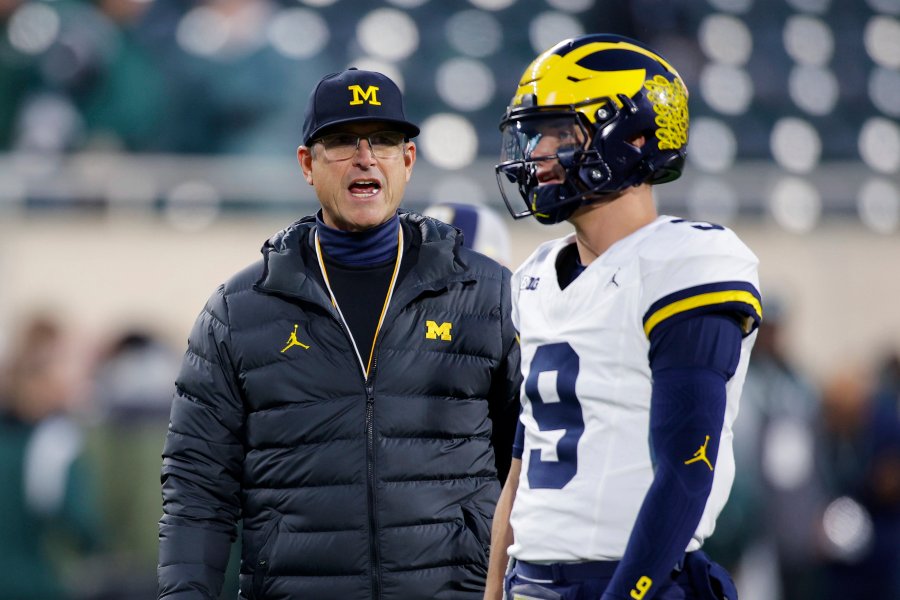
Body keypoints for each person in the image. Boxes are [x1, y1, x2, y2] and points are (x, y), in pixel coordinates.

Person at [157, 67, 521, 600]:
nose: (366, 156)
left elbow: (535, 464)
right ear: (307, 163)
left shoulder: (485, 295)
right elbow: (196, 492)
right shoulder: (239, 312)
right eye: (343, 141)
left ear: (408, 161)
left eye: (385, 141)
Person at [485, 34, 762, 600]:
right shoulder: (535, 276)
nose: (537, 155)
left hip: (634, 578)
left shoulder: (687, 264)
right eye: (534, 134)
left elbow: (687, 470)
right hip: (531, 581)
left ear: (632, 137)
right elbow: (523, 466)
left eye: (560, 133)